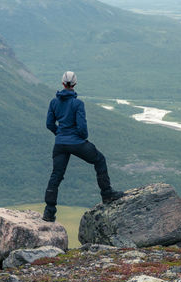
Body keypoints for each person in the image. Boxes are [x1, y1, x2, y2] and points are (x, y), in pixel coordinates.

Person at [42, 71, 124, 222]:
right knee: (99, 160)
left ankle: (49, 212)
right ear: (75, 84)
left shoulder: (54, 102)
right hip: (76, 142)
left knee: (56, 176)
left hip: (60, 144)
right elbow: (82, 127)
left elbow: (49, 124)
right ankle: (107, 194)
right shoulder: (77, 103)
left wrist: (59, 134)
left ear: (62, 84)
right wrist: (82, 138)